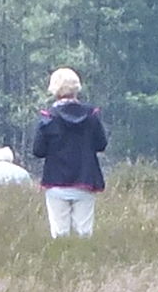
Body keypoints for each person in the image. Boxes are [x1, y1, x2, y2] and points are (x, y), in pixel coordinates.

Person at [30, 67, 107, 237]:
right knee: (84, 233)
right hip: (85, 180)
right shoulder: (91, 116)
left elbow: (38, 151)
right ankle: (84, 262)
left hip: (56, 182)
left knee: (59, 233)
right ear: (77, 87)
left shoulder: (48, 118)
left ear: (54, 89)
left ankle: (61, 262)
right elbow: (101, 144)